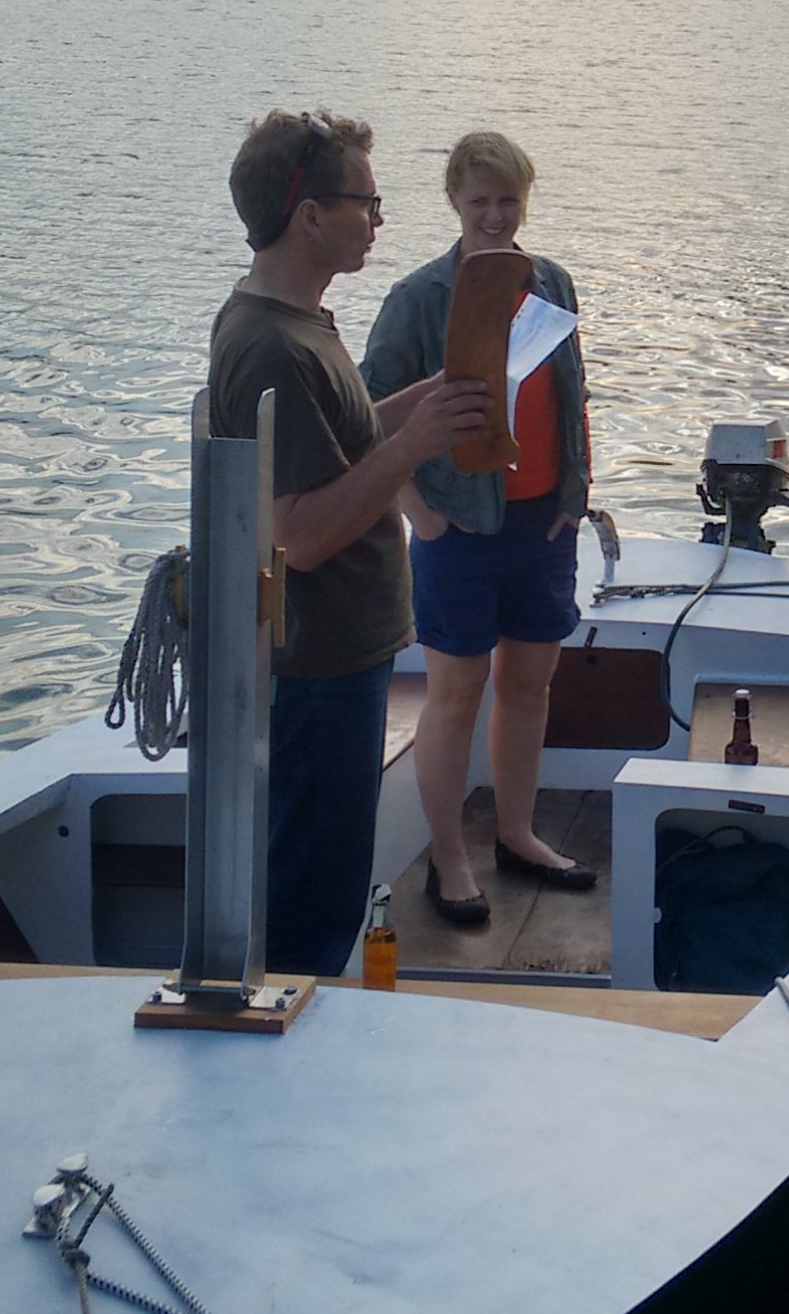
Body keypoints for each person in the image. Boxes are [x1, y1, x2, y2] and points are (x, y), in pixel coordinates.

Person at [207, 109, 486, 974]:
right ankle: (292, 1056)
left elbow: (341, 442)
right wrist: (411, 445)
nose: (377, 219)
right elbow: (298, 535)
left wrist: (426, 399)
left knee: (323, 877)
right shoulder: (272, 349)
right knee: (313, 900)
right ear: (309, 214)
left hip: (341, 660)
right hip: (316, 670)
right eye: (367, 201)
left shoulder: (300, 324)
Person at [361, 131, 598, 924]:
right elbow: (366, 421)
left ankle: (517, 836)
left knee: (528, 688)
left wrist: (577, 491)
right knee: (456, 696)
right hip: (457, 526)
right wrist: (420, 516)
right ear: (454, 203)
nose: (495, 218)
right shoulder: (420, 298)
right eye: (480, 203)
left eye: (508, 201)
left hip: (543, 523)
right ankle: (450, 861)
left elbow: (574, 397)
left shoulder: (553, 281)